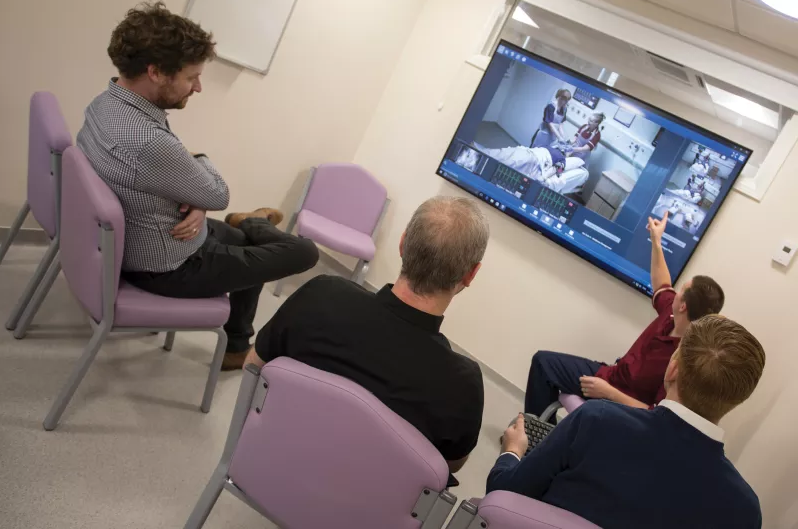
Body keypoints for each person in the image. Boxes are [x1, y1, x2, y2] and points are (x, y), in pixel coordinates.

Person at [77, 2, 319, 371]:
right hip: (168, 264)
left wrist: (195, 196)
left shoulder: (105, 104)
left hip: (144, 238)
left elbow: (184, 182)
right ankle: (254, 221)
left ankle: (237, 343)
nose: (199, 87)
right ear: (156, 72)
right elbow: (218, 193)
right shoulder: (150, 142)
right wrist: (199, 182)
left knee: (248, 250)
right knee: (304, 252)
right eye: (192, 77)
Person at [243, 196, 489, 483]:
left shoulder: (321, 295)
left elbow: (253, 366)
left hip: (268, 469)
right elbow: (451, 464)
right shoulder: (463, 384)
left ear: (402, 243)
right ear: (471, 274)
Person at [490, 314, 765, 529]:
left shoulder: (595, 420)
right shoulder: (744, 511)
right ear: (738, 398)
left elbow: (502, 493)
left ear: (673, 369)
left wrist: (512, 452)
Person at [524, 211, 725, 418]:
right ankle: (536, 435)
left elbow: (657, 414)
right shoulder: (670, 314)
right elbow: (662, 282)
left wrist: (608, 393)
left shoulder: (683, 360)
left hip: (622, 405)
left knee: (546, 368)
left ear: (683, 306)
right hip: (611, 375)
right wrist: (656, 240)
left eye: (681, 290)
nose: (675, 292)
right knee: (543, 363)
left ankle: (536, 442)